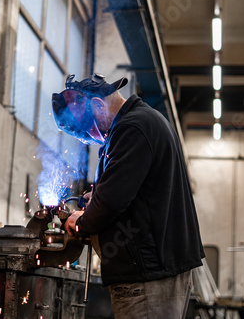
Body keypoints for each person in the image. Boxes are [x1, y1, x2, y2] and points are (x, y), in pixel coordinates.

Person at [52, 73, 205, 319]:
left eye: (90, 132)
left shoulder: (132, 128)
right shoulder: (143, 121)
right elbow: (129, 190)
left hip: (148, 275)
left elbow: (113, 201)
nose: (93, 139)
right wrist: (98, 197)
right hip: (155, 270)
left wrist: (80, 222)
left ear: (98, 105)